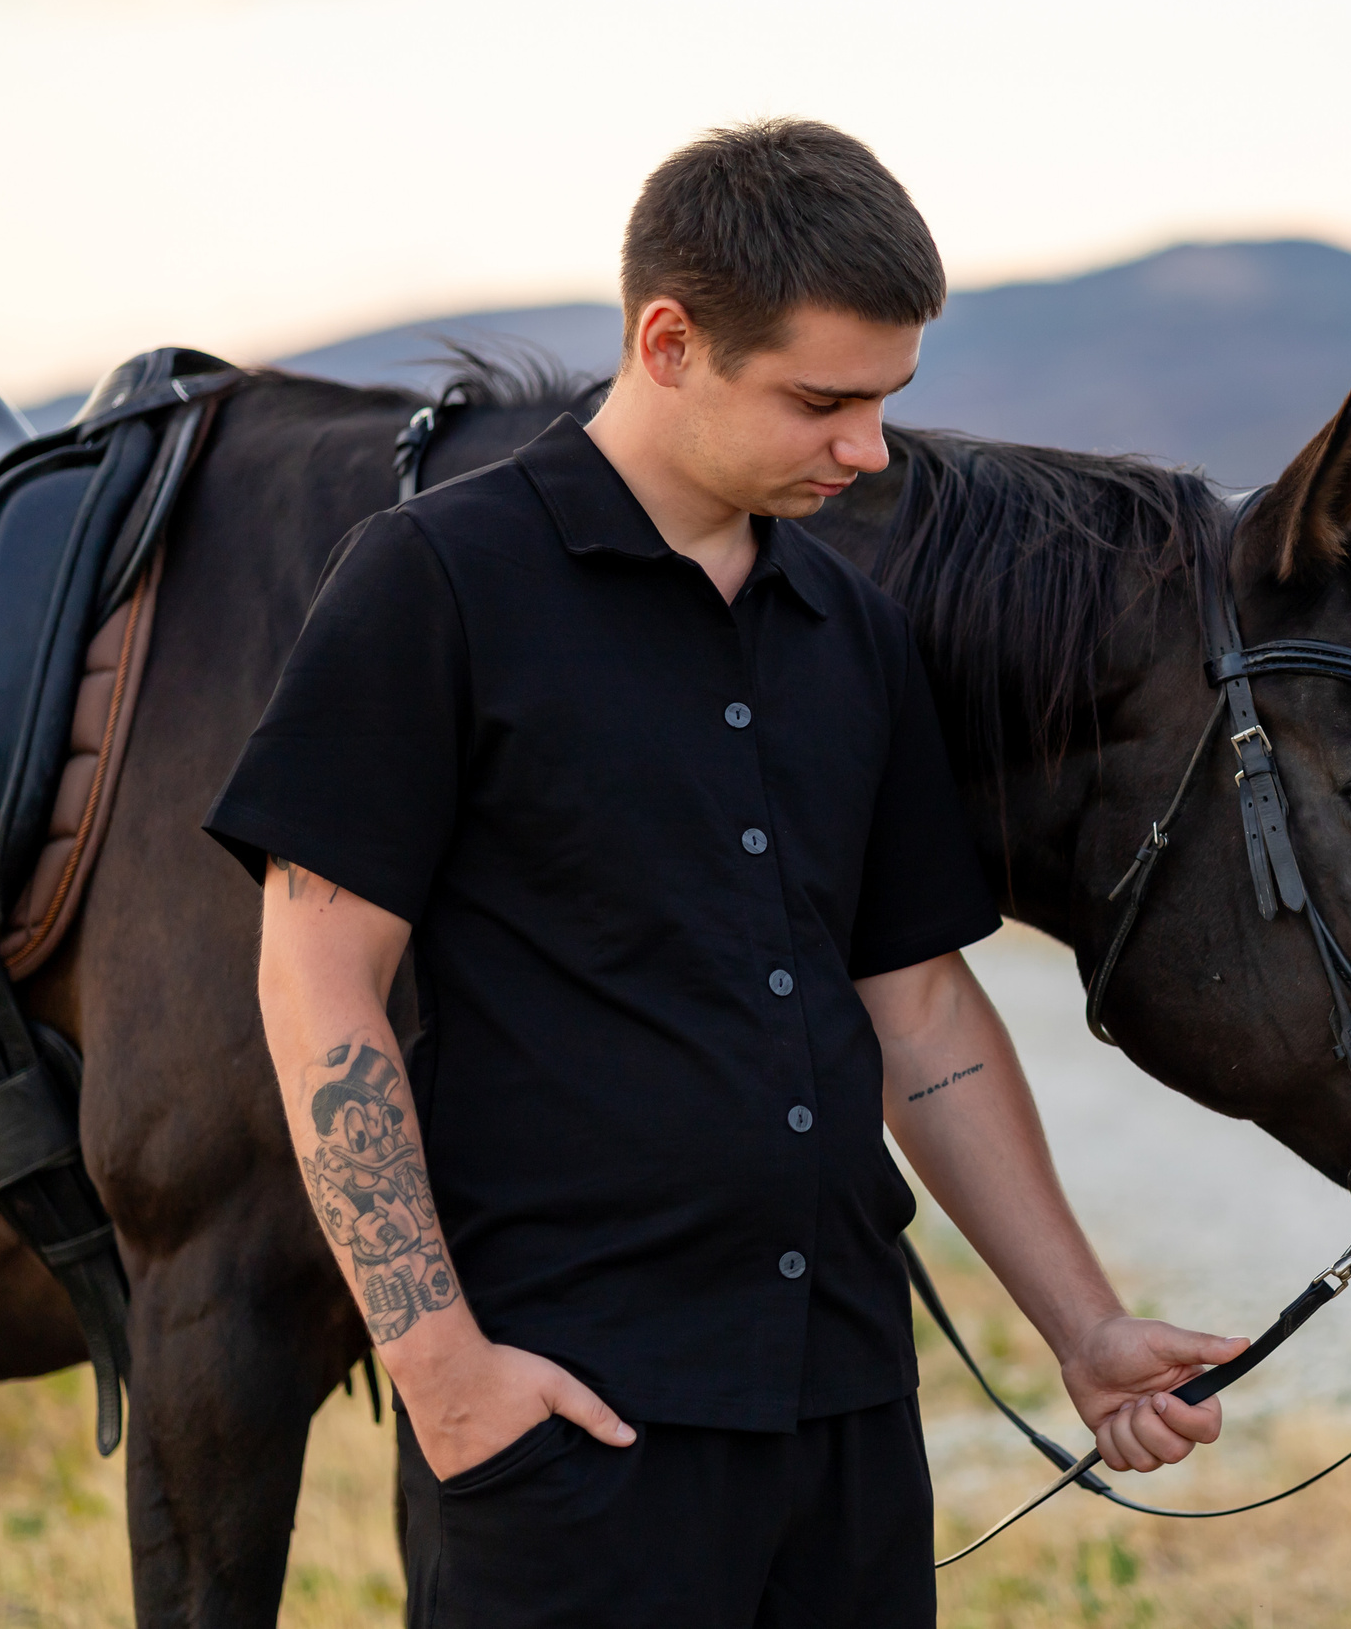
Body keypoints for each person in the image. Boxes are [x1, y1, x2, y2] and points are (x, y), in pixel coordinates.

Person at [207, 118, 1243, 1628]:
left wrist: (1083, 1329)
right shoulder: (434, 581)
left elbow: (922, 1013)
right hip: (569, 1421)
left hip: (844, 1409)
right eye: (822, 401)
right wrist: (440, 1369)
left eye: (885, 401)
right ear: (669, 342)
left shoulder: (853, 631)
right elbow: (314, 978)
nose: (867, 449)